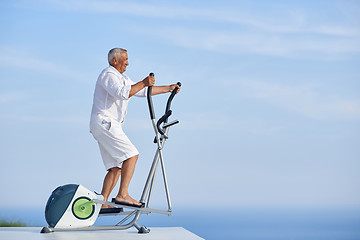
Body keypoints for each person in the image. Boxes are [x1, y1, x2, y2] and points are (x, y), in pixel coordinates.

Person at [90, 48, 180, 209]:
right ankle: (122, 195)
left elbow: (143, 91)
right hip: (105, 122)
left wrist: (168, 88)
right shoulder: (108, 74)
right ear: (114, 61)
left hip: (105, 124)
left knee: (115, 167)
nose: (127, 62)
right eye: (124, 59)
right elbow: (122, 93)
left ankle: (103, 203)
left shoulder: (123, 78)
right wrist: (143, 82)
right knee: (131, 155)